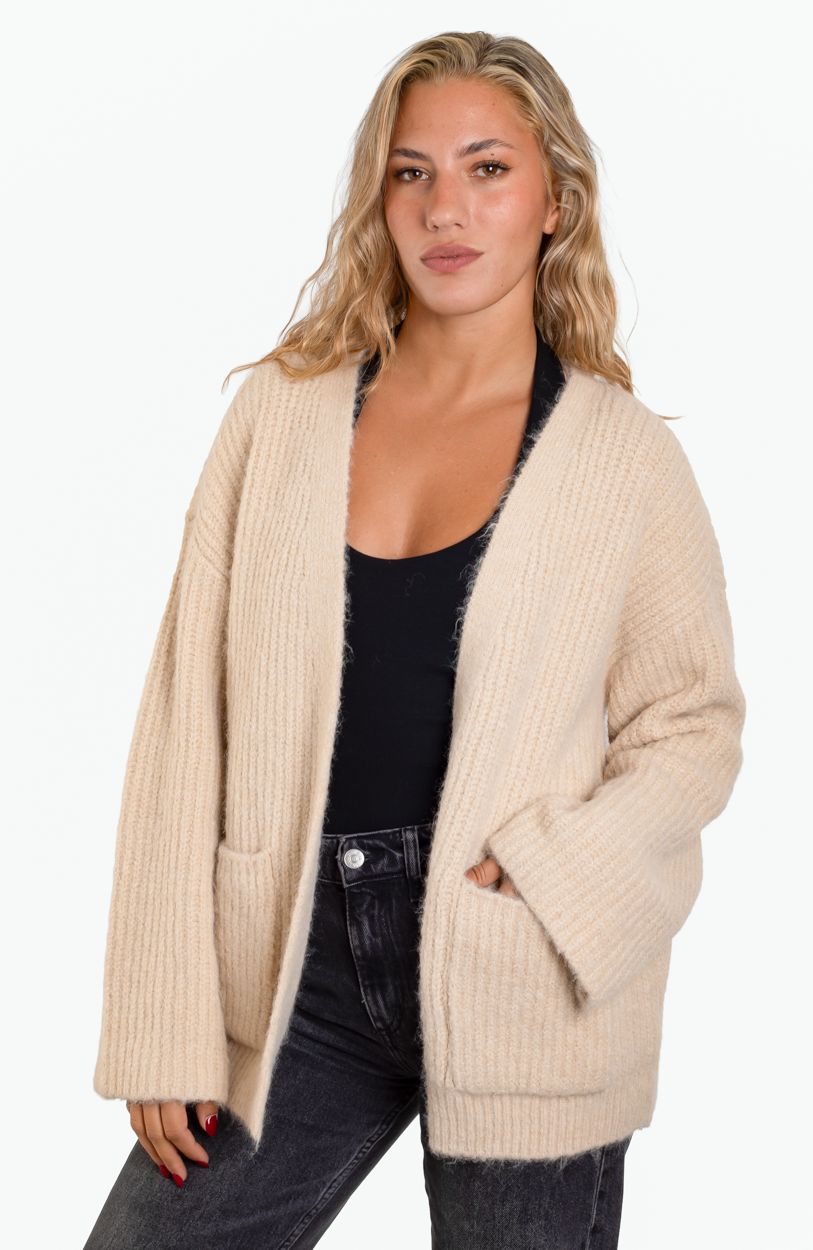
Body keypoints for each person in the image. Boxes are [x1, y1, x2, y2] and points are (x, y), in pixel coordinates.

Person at [85, 30, 745, 1250]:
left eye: (488, 168)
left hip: (519, 961)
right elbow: (187, 719)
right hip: (292, 967)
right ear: (380, 199)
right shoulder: (278, 416)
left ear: (555, 200)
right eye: (411, 172)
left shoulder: (626, 459)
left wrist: (559, 871)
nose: (446, 208)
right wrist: (164, 1017)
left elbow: (692, 723)